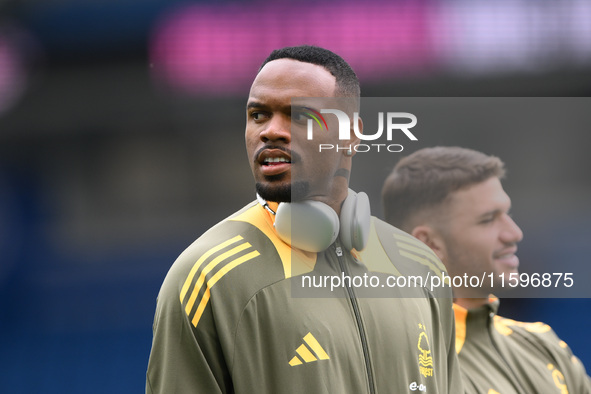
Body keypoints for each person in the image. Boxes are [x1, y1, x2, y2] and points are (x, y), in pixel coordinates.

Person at [146, 46, 463, 393]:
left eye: (299, 117)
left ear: (351, 136)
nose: (271, 131)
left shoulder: (422, 267)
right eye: (258, 115)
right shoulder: (205, 276)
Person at [382, 146, 591, 393]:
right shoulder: (394, 362)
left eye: (507, 213)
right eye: (488, 219)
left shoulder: (543, 345)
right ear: (428, 244)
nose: (514, 233)